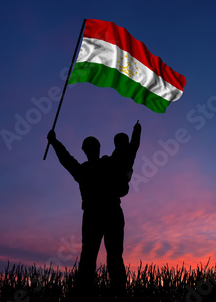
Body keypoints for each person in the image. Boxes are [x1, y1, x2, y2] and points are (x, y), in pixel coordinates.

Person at [46, 121, 141, 301]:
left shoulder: (90, 168)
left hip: (99, 215)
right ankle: (109, 292)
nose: (89, 151)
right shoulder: (103, 165)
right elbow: (130, 151)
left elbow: (128, 152)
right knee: (98, 257)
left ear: (87, 150)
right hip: (105, 215)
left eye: (89, 148)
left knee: (98, 257)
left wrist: (55, 143)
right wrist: (55, 143)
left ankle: (106, 292)